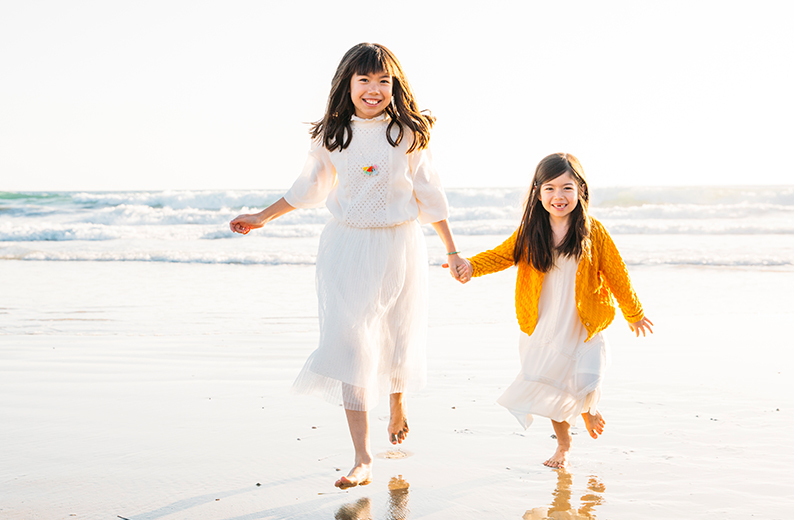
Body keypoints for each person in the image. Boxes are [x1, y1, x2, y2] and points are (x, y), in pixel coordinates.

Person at [230, 43, 464, 489]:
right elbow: (306, 189)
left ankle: (397, 402)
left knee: (397, 332)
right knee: (351, 343)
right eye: (365, 81)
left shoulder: (406, 135)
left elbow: (430, 197)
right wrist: (262, 217)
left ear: (395, 87)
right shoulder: (333, 135)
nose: (374, 90)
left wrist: (452, 252)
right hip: (345, 246)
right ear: (347, 84)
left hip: (398, 244)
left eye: (383, 81)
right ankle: (363, 458)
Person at [448, 153, 653, 468]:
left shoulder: (592, 231)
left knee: (587, 379)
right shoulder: (532, 231)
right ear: (538, 193)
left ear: (580, 190)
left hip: (583, 324)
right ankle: (564, 444)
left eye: (567, 188)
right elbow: (500, 256)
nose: (559, 196)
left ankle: (588, 409)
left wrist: (634, 313)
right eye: (550, 189)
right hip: (545, 324)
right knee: (552, 386)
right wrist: (471, 266)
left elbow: (617, 275)